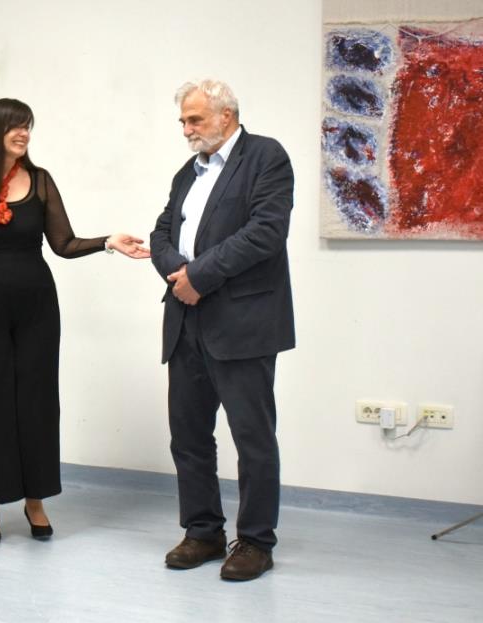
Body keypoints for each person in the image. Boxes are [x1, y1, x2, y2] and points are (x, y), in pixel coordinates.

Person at [0, 98, 150, 544]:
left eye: (27, 126)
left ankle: (36, 499)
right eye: (15, 126)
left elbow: (63, 243)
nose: (24, 134)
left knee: (37, 400)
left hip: (37, 307)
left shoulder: (42, 181)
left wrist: (108, 241)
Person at [149, 80, 294, 581]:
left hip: (243, 323)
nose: (186, 130)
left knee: (252, 437)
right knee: (188, 435)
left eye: (195, 120)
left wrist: (199, 276)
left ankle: (255, 541)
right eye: (183, 121)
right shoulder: (186, 173)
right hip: (185, 319)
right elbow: (161, 232)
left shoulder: (265, 157)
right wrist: (177, 273)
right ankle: (203, 531)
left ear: (226, 115)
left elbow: (266, 232)